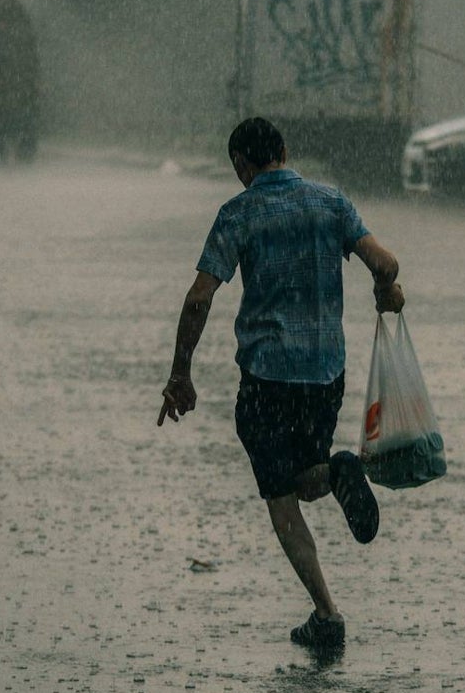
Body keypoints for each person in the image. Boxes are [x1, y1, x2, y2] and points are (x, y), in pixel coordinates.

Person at [157, 117, 404, 651]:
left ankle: (327, 614)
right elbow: (384, 262)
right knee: (301, 477)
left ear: (241, 166)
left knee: (280, 496)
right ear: (285, 151)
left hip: (268, 379)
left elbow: (200, 297)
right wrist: (388, 291)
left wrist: (181, 373)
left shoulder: (239, 213)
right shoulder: (332, 201)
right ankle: (338, 471)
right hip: (324, 375)